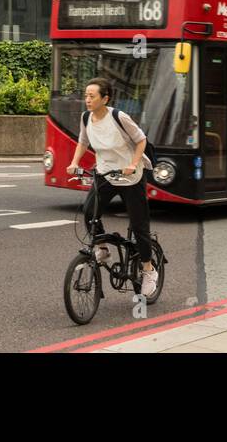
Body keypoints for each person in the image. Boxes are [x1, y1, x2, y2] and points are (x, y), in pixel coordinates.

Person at [66, 77, 159, 297]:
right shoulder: (86, 117)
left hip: (130, 177)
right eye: (86, 95)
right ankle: (103, 250)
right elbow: (83, 141)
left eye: (92, 96)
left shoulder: (119, 117)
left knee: (139, 227)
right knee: (90, 211)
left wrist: (133, 163)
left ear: (105, 98)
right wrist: (74, 162)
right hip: (105, 172)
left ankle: (148, 270)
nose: (87, 100)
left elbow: (141, 140)